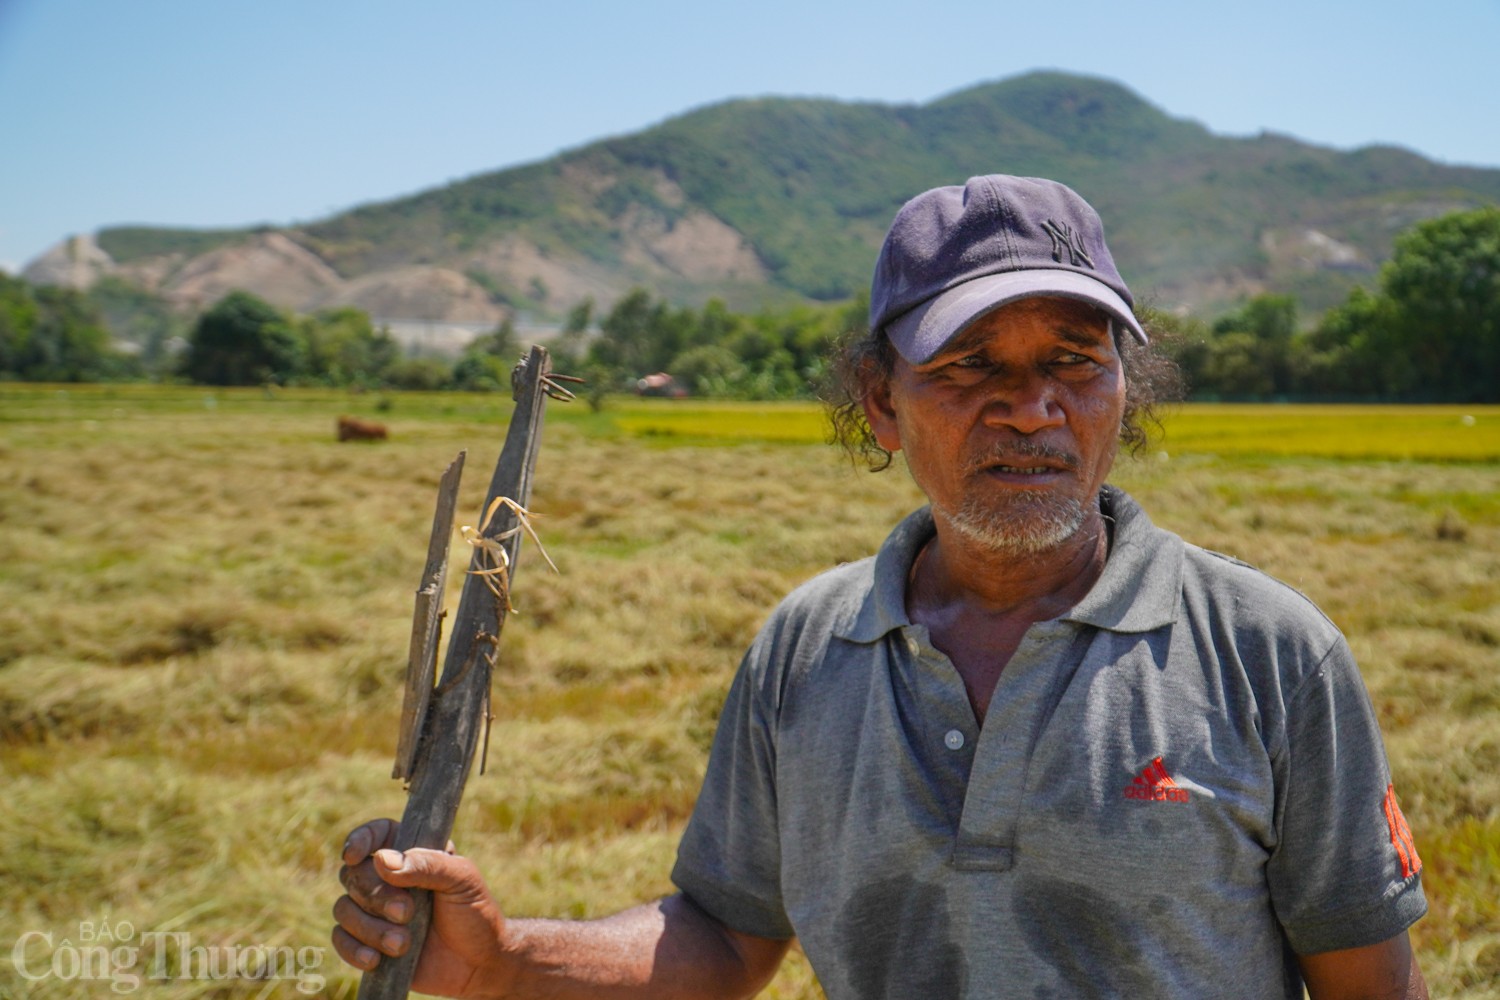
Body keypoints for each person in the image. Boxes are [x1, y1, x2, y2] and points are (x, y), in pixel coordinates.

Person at [333, 175, 1428, 998]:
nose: (1033, 408)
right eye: (970, 366)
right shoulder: (808, 649)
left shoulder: (1272, 654)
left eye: (1074, 360)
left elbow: (1369, 983)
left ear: (1124, 392)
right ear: (882, 403)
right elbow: (724, 936)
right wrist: (506, 956)